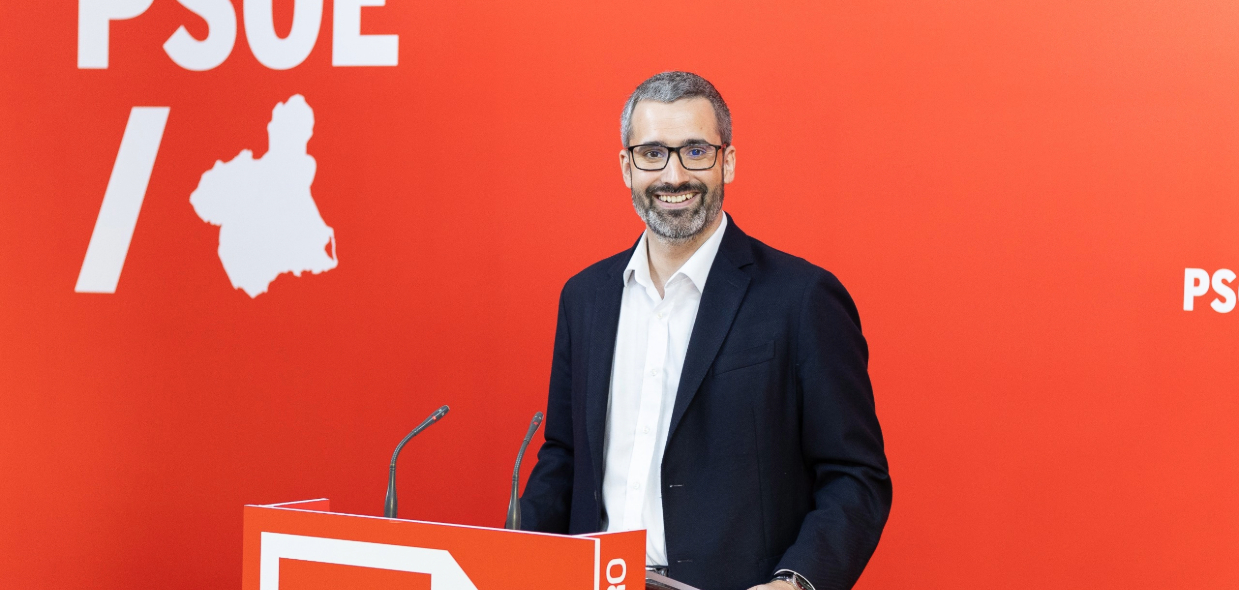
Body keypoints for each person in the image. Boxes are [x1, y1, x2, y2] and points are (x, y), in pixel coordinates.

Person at [519, 71, 891, 590]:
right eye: (652, 153)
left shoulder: (802, 298)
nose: (673, 176)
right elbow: (563, 456)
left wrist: (795, 583)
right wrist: (512, 561)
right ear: (626, 167)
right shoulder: (585, 297)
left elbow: (855, 476)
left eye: (695, 152)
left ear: (727, 161)